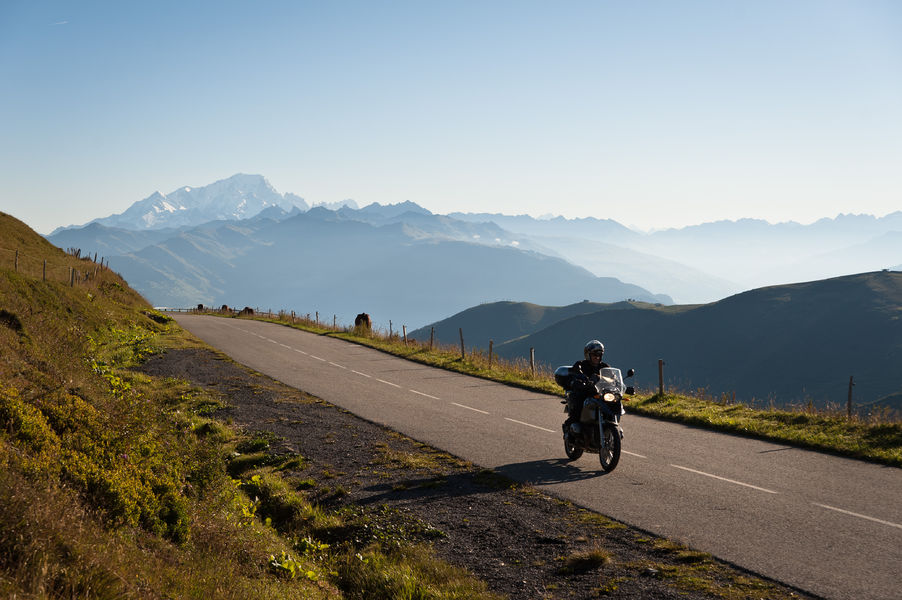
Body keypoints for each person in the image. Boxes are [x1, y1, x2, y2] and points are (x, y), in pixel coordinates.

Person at [563, 339, 610, 434]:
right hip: (585, 392)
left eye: (599, 355)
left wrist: (621, 385)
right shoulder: (580, 365)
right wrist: (577, 382)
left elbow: (612, 378)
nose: (597, 357)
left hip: (600, 394)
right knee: (579, 404)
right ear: (588, 355)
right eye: (594, 355)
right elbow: (574, 374)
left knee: (612, 404)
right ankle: (568, 426)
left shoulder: (605, 367)